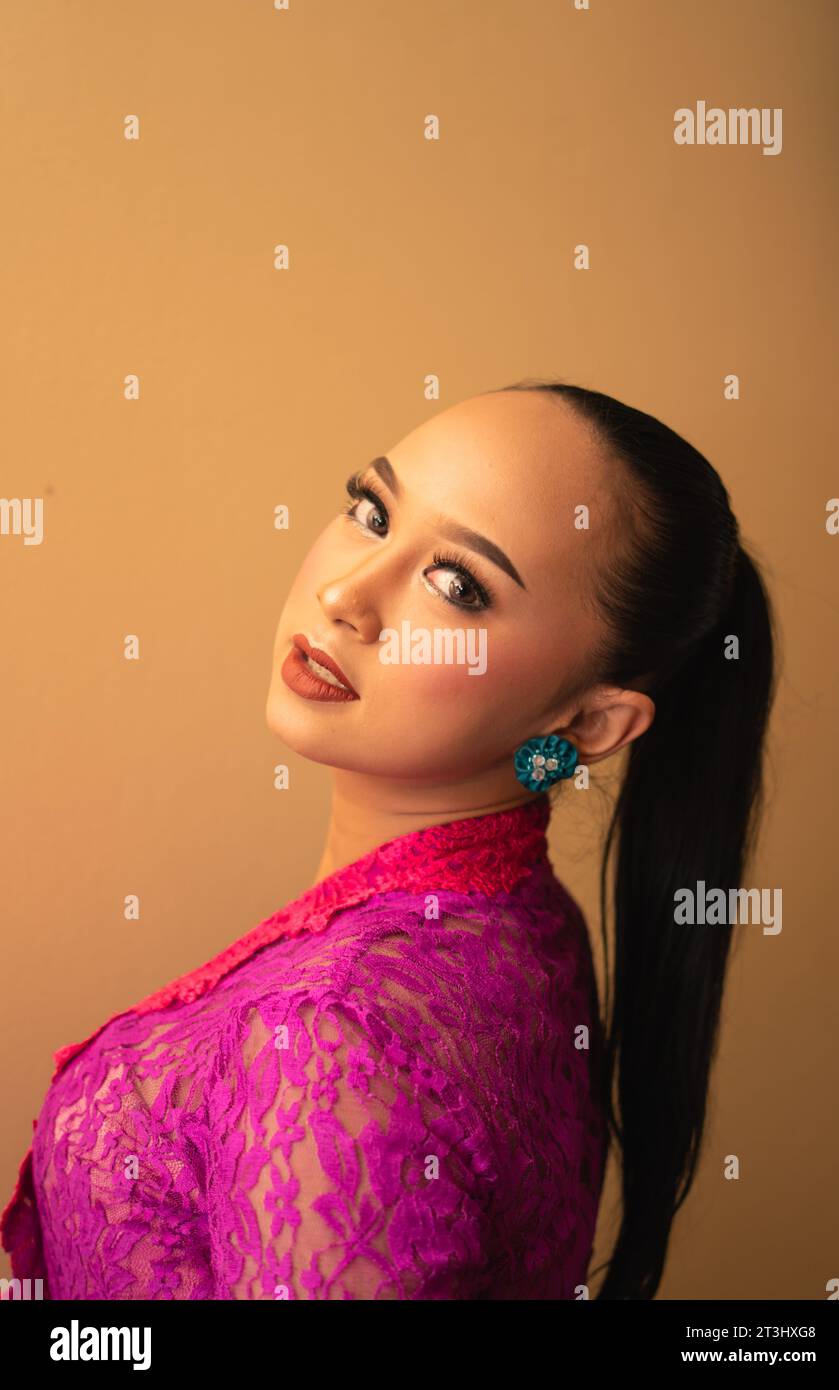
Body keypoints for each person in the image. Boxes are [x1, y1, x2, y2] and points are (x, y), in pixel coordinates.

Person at [0, 380, 776, 1299]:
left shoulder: (331, 1040)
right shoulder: (520, 917)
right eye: (372, 511)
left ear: (587, 723)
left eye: (457, 584)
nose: (343, 595)